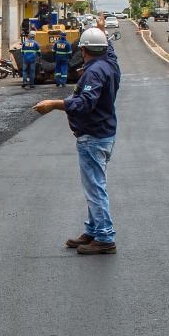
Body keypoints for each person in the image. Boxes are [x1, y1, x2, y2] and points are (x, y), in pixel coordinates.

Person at [31, 28, 122, 255]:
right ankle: (93, 231)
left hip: (93, 136)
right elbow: (109, 51)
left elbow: (85, 103)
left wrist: (55, 104)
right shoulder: (110, 64)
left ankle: (104, 237)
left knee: (94, 188)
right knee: (95, 185)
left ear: (83, 50)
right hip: (103, 132)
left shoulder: (94, 72)